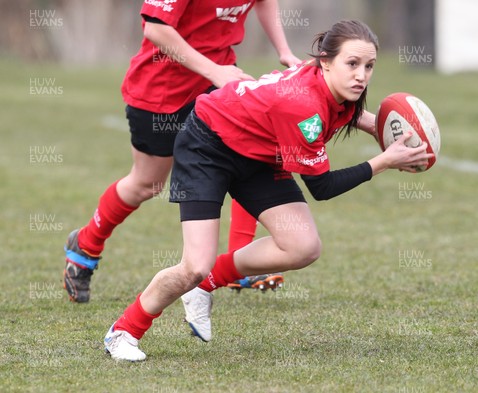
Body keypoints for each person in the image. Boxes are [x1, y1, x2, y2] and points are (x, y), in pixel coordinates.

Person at [103, 19, 433, 361]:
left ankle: (208, 283)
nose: (361, 75)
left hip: (256, 157)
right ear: (325, 61)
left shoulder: (335, 86)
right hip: (207, 148)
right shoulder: (303, 107)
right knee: (193, 266)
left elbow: (349, 114)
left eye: (369, 66)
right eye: (352, 64)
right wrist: (384, 160)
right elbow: (322, 187)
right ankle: (124, 331)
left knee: (302, 246)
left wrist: (393, 129)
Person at [63, 0, 300, 308]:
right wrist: (214, 70)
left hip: (217, 84)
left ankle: (240, 259)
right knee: (147, 184)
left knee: (252, 153)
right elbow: (156, 28)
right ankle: (86, 243)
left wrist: (284, 50)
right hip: (161, 93)